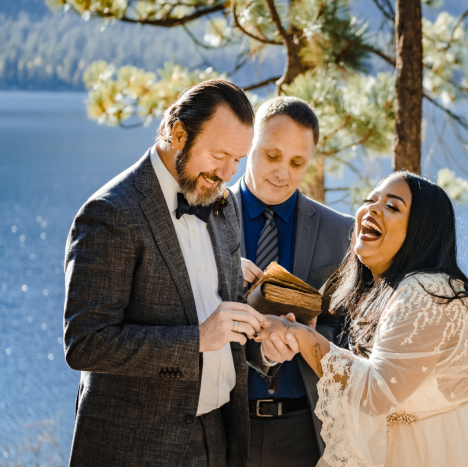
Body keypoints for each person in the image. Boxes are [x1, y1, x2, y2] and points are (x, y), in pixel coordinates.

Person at [63, 79, 299, 467]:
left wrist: (263, 346)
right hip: (136, 448)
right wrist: (196, 340)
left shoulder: (223, 204)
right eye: (219, 155)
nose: (227, 172)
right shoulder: (110, 214)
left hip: (220, 438)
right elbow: (86, 343)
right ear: (178, 134)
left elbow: (224, 316)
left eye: (238, 159)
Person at [257, 171, 468, 467]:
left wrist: (300, 336)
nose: (372, 209)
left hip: (453, 451)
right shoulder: (393, 288)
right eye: (370, 200)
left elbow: (377, 392)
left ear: (421, 231)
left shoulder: (427, 292)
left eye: (392, 207)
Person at [229, 96, 353, 467]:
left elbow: (354, 329)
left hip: (307, 428)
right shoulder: (202, 219)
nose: (283, 173)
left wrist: (310, 337)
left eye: (297, 163)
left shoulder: (341, 231)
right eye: (272, 156)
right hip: (223, 426)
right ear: (250, 143)